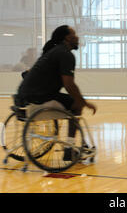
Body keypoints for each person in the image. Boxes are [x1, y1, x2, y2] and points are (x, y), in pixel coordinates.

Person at [15, 25, 97, 160]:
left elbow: (27, 74)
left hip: (23, 97)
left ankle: (77, 145)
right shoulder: (65, 54)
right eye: (73, 34)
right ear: (67, 38)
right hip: (38, 98)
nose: (77, 37)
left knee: (71, 101)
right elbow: (69, 84)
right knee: (75, 105)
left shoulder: (52, 52)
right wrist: (84, 103)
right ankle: (69, 149)